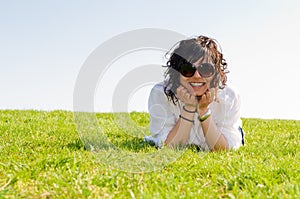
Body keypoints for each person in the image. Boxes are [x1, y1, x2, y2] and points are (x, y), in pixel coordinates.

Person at [145, 35, 245, 151]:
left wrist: (203, 110)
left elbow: (222, 149)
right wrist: (189, 107)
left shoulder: (230, 96)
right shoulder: (160, 93)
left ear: (215, 73)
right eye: (188, 69)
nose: (197, 76)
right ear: (177, 72)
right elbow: (169, 147)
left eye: (205, 69)